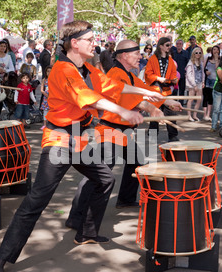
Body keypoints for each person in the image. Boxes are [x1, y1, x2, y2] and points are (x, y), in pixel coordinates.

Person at [0, 21, 165, 272]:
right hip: (59, 141)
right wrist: (124, 112)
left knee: (105, 179)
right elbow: (89, 98)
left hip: (80, 140)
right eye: (90, 39)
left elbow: (112, 86)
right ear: (75, 43)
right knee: (36, 201)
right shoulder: (63, 69)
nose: (94, 43)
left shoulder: (87, 68)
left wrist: (149, 94)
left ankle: (86, 233)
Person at [65, 40, 182, 228]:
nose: (140, 57)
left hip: (124, 130)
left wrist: (168, 102)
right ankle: (76, 216)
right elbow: (133, 99)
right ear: (124, 55)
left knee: (136, 161)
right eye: (136, 53)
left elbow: (146, 89)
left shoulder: (129, 74)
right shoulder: (115, 74)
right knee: (98, 174)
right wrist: (152, 109)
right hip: (110, 131)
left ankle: (126, 199)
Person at [145, 37, 179, 141]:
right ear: (161, 46)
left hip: (166, 90)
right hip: (155, 89)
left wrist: (174, 79)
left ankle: (173, 136)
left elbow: (174, 73)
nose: (169, 47)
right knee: (155, 114)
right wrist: (158, 78)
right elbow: (148, 73)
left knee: (171, 113)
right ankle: (152, 136)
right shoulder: (152, 59)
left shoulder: (170, 60)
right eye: (167, 45)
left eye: (170, 45)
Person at [185, 47, 205, 121]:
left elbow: (203, 73)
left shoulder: (201, 62)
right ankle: (189, 115)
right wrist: (194, 85)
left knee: (199, 99)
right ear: (193, 53)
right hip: (192, 83)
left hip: (199, 82)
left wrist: (203, 81)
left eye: (200, 53)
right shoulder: (190, 63)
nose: (198, 54)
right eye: (196, 53)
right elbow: (189, 75)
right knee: (191, 99)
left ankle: (195, 115)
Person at [203, 45, 220, 121]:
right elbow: (203, 67)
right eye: (214, 49)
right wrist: (206, 71)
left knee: (211, 98)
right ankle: (204, 115)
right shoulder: (208, 58)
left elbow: (217, 69)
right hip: (207, 79)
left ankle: (208, 114)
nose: (215, 51)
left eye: (216, 50)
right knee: (205, 97)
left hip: (214, 80)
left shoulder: (219, 59)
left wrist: (216, 59)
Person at [171, 39, 190, 105]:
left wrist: (187, 72)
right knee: (174, 90)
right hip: (174, 75)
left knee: (182, 90)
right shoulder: (173, 53)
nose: (178, 45)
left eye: (180, 44)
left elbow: (188, 64)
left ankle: (181, 104)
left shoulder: (186, 53)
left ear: (182, 45)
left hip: (182, 75)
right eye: (177, 44)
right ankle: (174, 103)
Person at [40, 65, 52, 130]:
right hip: (46, 97)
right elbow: (42, 90)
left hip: (53, 97)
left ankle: (51, 124)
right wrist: (46, 95)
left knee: (52, 111)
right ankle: (45, 124)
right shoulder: (44, 80)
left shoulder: (55, 79)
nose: (49, 73)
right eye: (48, 71)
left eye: (50, 71)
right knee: (45, 111)